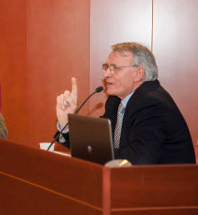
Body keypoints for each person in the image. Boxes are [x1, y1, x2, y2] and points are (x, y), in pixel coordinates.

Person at [56, 42, 195, 165]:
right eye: (106, 67)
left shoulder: (153, 104)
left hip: (166, 189)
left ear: (138, 73)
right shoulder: (115, 101)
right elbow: (96, 144)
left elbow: (140, 160)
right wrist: (65, 123)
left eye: (115, 68)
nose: (106, 74)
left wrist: (99, 155)